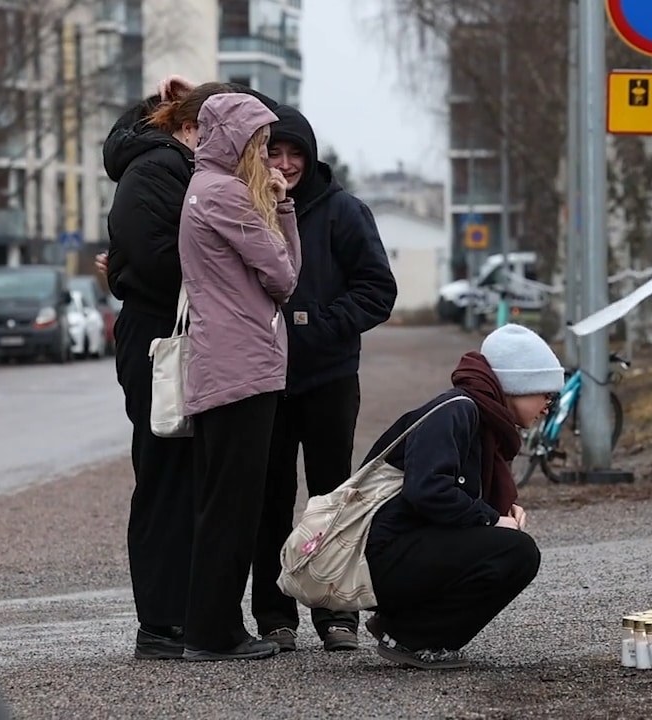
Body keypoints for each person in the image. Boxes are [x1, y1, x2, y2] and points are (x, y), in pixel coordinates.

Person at [249, 105, 398, 653]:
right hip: (262, 382)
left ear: (310, 159)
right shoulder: (246, 208)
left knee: (334, 497)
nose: (285, 164)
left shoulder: (344, 212)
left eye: (295, 154)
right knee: (268, 499)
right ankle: (272, 614)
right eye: (274, 153)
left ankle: (337, 614)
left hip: (329, 378)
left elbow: (377, 290)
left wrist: (318, 327)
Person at [102, 79, 233, 660]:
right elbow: (155, 256)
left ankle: (185, 616)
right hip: (162, 334)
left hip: (179, 330)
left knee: (188, 475)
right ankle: (162, 622)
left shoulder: (171, 167)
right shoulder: (159, 169)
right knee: (166, 476)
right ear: (190, 128)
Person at [177, 92, 302, 661]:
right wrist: (278, 208)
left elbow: (282, 272)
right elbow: (283, 275)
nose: (270, 159)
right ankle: (214, 633)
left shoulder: (207, 190)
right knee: (233, 505)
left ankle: (213, 627)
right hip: (240, 366)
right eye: (259, 142)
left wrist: (282, 210)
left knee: (222, 501)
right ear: (235, 139)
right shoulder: (225, 194)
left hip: (229, 364)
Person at [359, 323, 559, 669]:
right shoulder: (456, 411)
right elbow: (427, 491)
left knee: (511, 548)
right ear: (516, 385)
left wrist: (498, 512)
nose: (548, 406)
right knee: (517, 553)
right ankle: (412, 637)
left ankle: (403, 626)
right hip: (380, 556)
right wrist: (491, 519)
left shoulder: (482, 419)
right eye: (545, 394)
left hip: (404, 549)